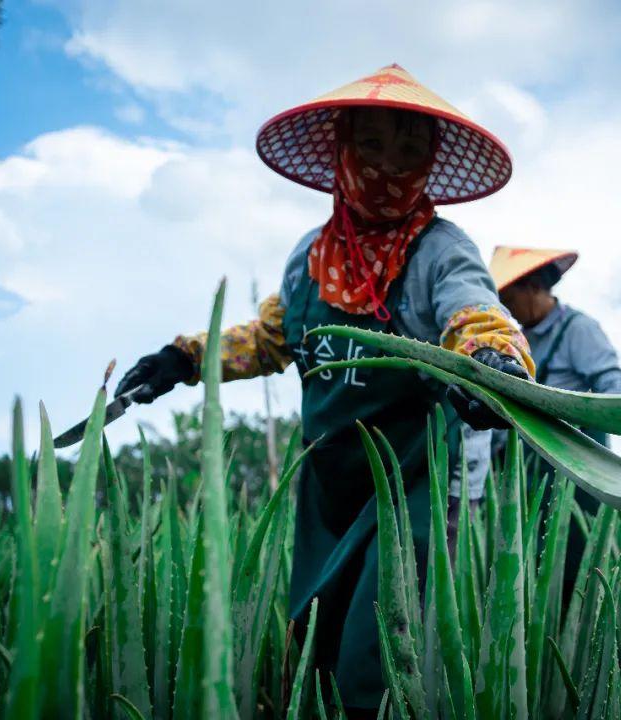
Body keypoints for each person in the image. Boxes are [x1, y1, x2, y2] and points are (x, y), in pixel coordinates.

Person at [115, 64, 534, 713]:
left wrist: (490, 363)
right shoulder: (310, 256)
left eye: (408, 149)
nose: (388, 165)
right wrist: (185, 357)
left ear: (429, 161)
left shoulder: (439, 251)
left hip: (410, 486)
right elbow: (272, 338)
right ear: (343, 146)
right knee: (315, 642)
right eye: (371, 144)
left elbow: (472, 309)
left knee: (382, 649)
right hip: (328, 484)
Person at [489, 246, 621, 596]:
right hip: (528, 474)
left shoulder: (578, 328)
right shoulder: (517, 340)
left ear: (534, 287)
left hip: (576, 472)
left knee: (575, 568)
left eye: (509, 298)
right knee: (530, 569)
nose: (508, 310)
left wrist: (611, 415)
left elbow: (615, 382)